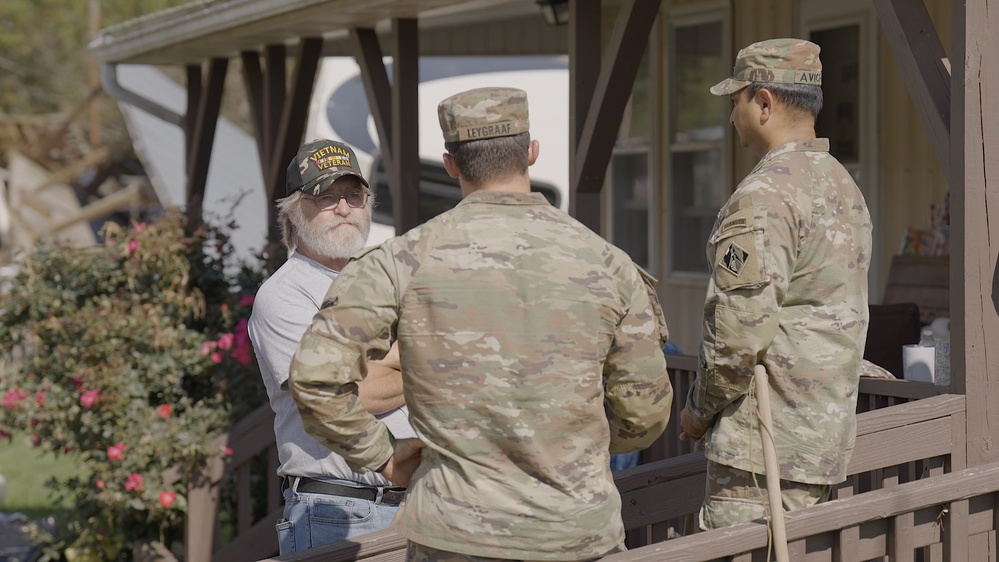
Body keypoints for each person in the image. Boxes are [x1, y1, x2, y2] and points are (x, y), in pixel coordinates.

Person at [289, 87, 673, 560]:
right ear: (531, 152)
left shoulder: (400, 261)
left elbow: (315, 379)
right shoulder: (609, 264)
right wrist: (565, 442)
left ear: (451, 163)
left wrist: (381, 456)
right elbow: (645, 415)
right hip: (577, 533)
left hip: (454, 536)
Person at [678, 38, 873, 530]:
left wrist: (697, 413)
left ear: (764, 103)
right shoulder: (841, 186)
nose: (731, 118)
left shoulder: (764, 195)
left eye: (735, 101)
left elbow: (736, 336)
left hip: (761, 453)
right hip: (819, 444)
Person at [247, 139, 416, 554]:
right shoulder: (285, 294)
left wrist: (393, 362)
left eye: (354, 195)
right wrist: (425, 359)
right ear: (293, 209)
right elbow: (345, 395)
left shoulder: (385, 280)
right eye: (326, 196)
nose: (344, 207)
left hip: (415, 506)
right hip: (337, 510)